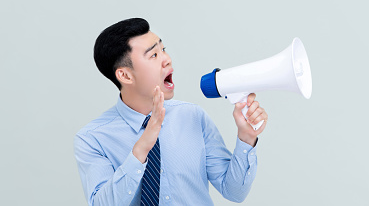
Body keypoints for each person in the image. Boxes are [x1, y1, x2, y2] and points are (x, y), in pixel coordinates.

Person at [74, 18, 268, 205]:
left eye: (163, 49)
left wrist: (246, 137)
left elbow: (234, 192)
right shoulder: (92, 139)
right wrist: (141, 148)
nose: (167, 59)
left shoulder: (193, 117)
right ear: (125, 75)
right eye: (154, 55)